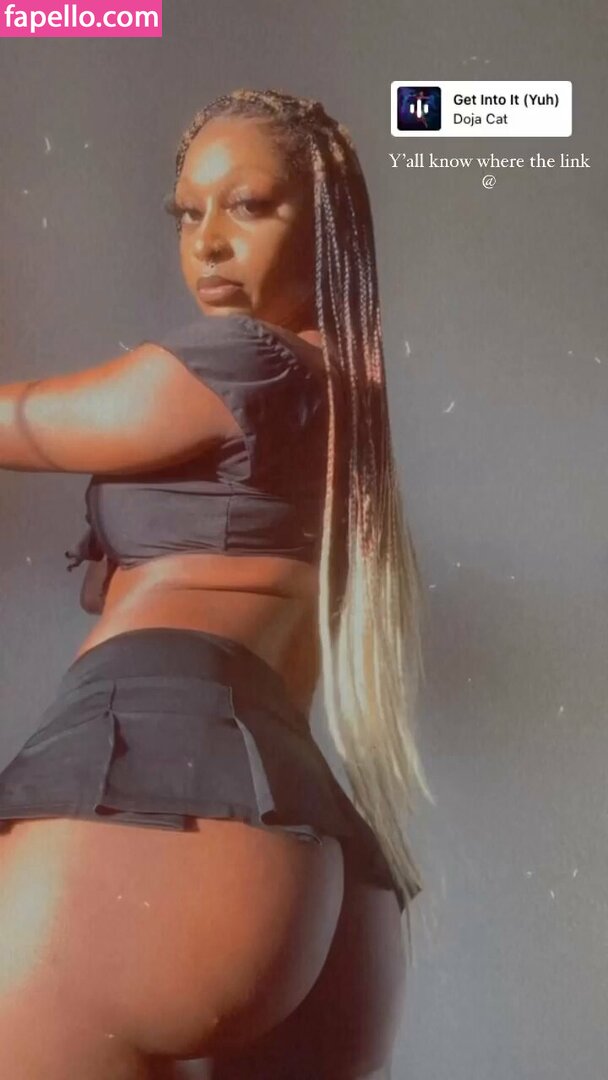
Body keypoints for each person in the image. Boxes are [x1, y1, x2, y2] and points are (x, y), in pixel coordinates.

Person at [0, 87, 432, 1079]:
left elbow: (24, 421)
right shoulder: (346, 397)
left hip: (148, 787)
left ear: (325, 222)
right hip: (305, 848)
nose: (208, 244)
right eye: (187, 214)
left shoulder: (244, 363)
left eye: (248, 205)